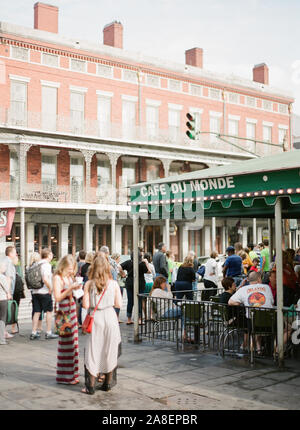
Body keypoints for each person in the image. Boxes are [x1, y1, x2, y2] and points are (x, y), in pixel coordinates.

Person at [82, 253, 122, 394]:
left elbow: (85, 305)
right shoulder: (114, 284)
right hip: (110, 317)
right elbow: (119, 304)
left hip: (96, 317)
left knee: (93, 350)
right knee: (109, 350)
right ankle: (107, 383)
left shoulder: (89, 284)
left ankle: (91, 386)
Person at [228, 271, 274, 353]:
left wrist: (241, 303)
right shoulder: (267, 287)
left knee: (254, 322)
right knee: (287, 328)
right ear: (259, 279)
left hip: (252, 324)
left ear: (248, 280)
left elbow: (230, 302)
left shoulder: (243, 289)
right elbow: (272, 302)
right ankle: (276, 351)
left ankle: (255, 349)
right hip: (269, 323)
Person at [53, 254, 81, 385]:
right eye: (70, 268)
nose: (72, 271)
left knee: (74, 345)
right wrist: (70, 288)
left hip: (72, 312)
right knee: (66, 345)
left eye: (73, 268)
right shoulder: (57, 278)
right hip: (64, 314)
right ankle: (65, 376)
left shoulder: (69, 277)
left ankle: (73, 374)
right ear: (63, 266)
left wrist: (77, 289)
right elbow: (57, 297)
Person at [30, 248, 58, 340]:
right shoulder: (46, 265)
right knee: (49, 311)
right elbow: (45, 279)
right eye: (51, 254)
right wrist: (51, 288)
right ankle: (48, 332)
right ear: (49, 255)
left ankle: (34, 332)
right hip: (44, 291)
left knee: (37, 311)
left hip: (35, 291)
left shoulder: (36, 264)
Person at [120, 250, 151, 324]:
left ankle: (129, 319)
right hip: (140, 283)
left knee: (130, 301)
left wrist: (123, 274)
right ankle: (139, 319)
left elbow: (119, 266)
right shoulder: (142, 264)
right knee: (139, 301)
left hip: (129, 282)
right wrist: (146, 262)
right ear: (140, 256)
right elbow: (149, 271)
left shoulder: (128, 262)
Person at [3, 246, 17, 337]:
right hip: (6, 291)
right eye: (15, 252)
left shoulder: (3, 261)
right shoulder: (8, 262)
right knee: (4, 312)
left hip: (3, 291)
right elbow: (8, 278)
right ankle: (3, 332)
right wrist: (9, 292)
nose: (16, 254)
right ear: (10, 253)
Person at [0, 258, 11, 345]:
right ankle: (1, 339)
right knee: (2, 319)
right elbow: (7, 289)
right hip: (2, 299)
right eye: (4, 267)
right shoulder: (2, 277)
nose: (5, 268)